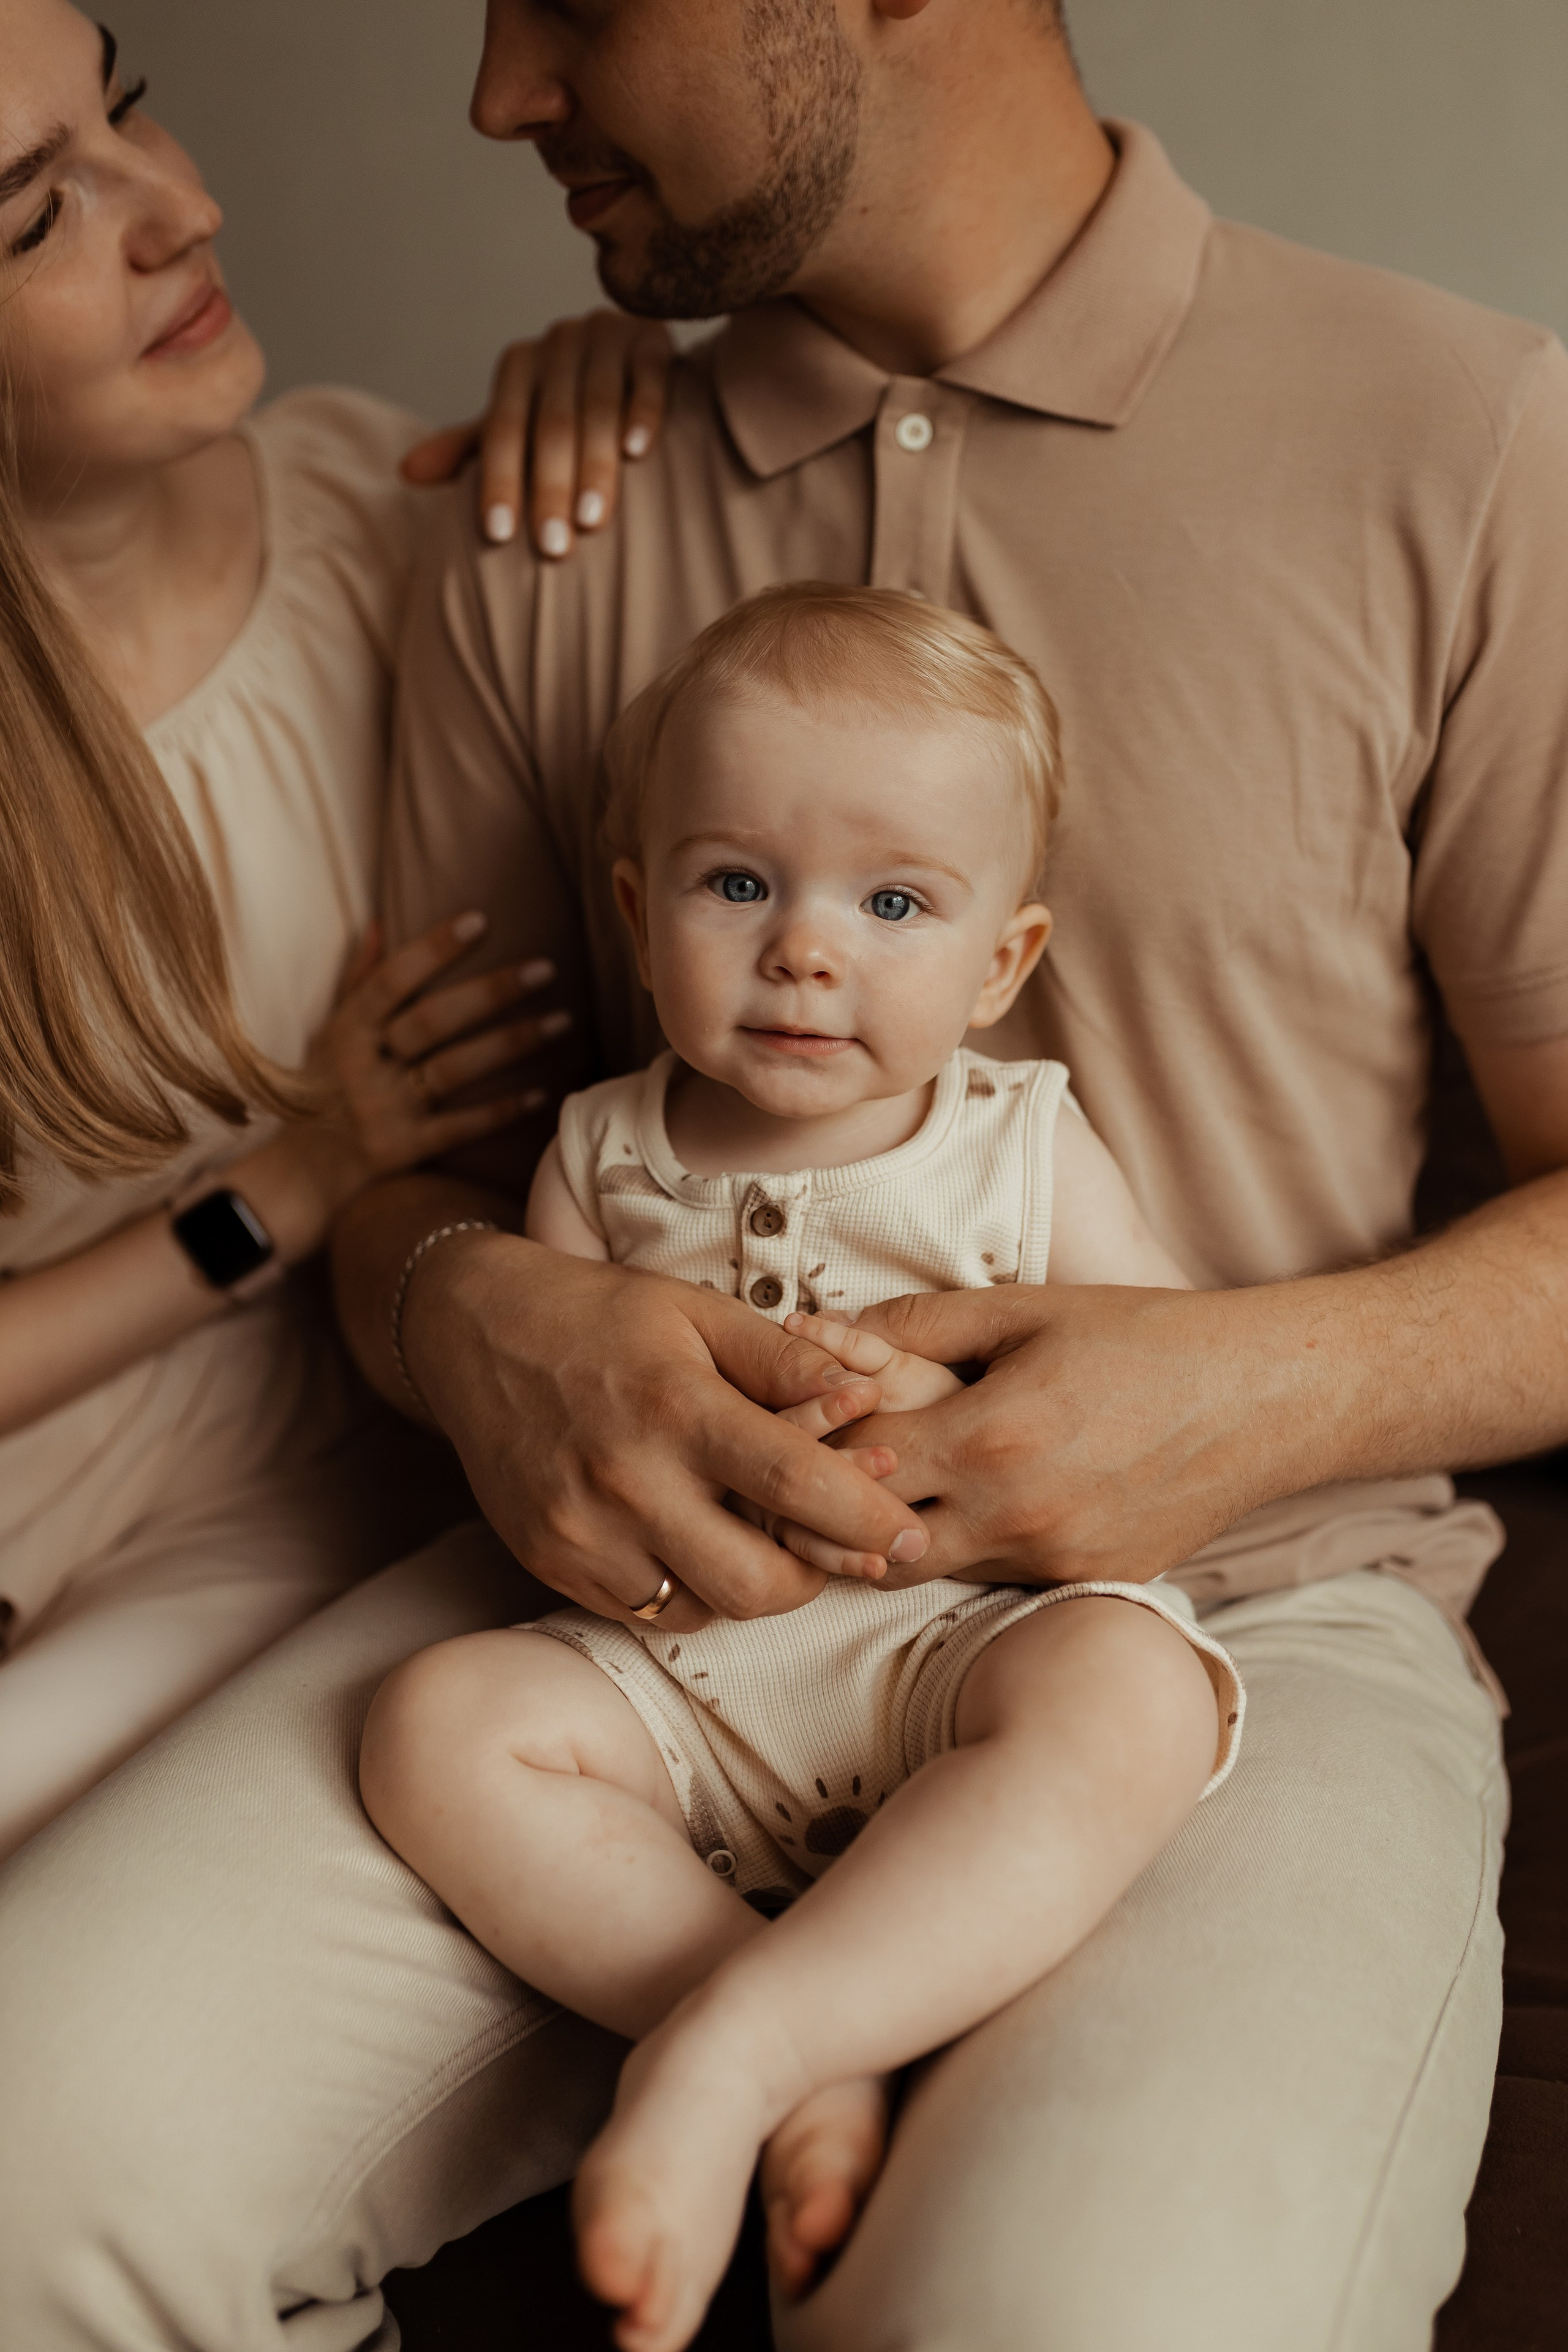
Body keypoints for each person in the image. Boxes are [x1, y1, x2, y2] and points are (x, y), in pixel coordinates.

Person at [4, 2, 1565, 2347]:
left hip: (1229, 1618)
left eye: (575, 2)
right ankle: (747, 2026)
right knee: (30, 2160)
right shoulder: (540, 494)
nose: (500, 93)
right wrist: (479, 1313)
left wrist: (1244, 1389)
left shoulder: (1469, 438)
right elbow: (414, 1186)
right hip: (606, 1620)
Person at [361, 584, 1248, 2352]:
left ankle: (737, 2053)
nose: (805, 950)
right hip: (681, 1676)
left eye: (895, 902)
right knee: (431, 1727)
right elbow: (554, 1465)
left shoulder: (1019, 1138)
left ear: (1004, 961)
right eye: (738, 883)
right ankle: (765, 2009)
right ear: (638, 910)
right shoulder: (596, 1152)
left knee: (1135, 1692)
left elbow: (1165, 1398)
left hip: (954, 1642)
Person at [0, 0, 670, 1858]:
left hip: (327, 1483)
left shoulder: (408, 514)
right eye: (33, 213)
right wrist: (296, 1180)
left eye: (131, 110)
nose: (178, 213)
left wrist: (626, 395)